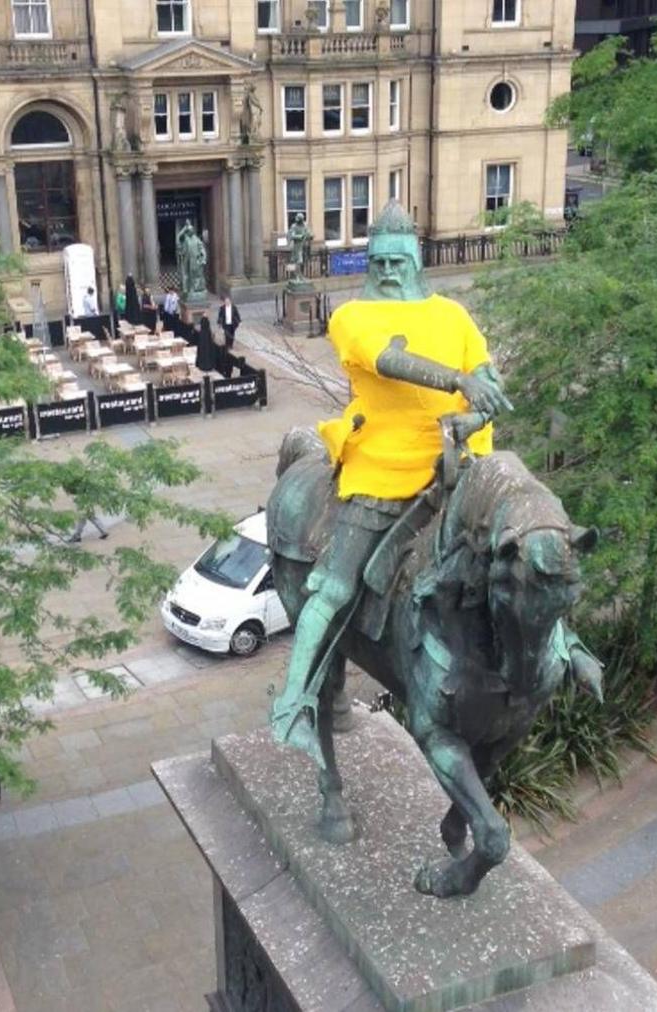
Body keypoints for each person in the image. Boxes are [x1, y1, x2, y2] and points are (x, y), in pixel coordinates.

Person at [268, 202, 514, 761]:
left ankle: (557, 645)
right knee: (333, 587)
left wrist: (473, 413)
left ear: (417, 259)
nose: (386, 269)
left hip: (462, 466)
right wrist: (459, 381)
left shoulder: (454, 315)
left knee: (527, 548)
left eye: (397, 259)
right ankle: (294, 701)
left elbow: (489, 380)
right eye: (377, 260)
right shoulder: (352, 317)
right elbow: (390, 362)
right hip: (383, 467)